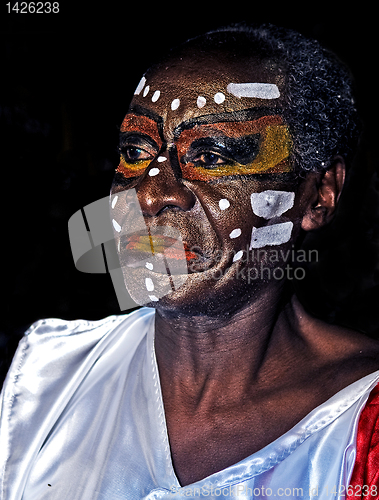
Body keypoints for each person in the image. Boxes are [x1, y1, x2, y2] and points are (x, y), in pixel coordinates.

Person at [1, 23, 379, 500]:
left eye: (213, 156)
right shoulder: (46, 378)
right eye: (135, 152)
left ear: (318, 195)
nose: (150, 193)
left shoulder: (358, 429)